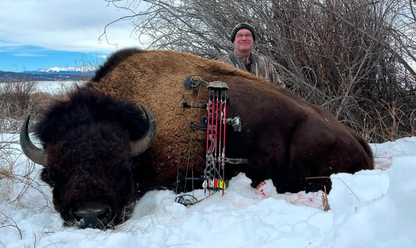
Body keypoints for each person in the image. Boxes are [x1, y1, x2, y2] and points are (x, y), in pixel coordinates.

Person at [217, 23, 284, 87]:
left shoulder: (266, 64)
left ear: (253, 40)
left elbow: (281, 90)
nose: (244, 39)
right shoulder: (222, 65)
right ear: (234, 41)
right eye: (239, 35)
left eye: (248, 35)